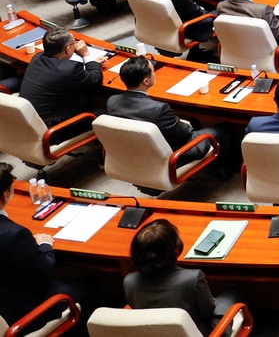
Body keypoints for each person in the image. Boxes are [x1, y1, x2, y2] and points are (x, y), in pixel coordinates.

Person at [0, 162, 89, 332]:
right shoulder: (15, 235)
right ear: (5, 195)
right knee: (90, 286)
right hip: (22, 311)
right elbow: (43, 272)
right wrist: (44, 245)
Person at [126, 218, 241, 335]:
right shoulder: (192, 279)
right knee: (232, 295)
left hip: (153, 333)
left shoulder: (129, 281)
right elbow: (208, 311)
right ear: (176, 250)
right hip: (201, 333)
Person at [108, 56, 226, 168]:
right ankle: (224, 170)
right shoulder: (159, 109)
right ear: (146, 81)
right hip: (172, 153)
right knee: (220, 129)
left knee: (193, 120)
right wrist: (184, 124)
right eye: (153, 71)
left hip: (138, 151)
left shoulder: (112, 101)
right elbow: (184, 133)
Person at [20, 28, 103, 129]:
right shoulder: (69, 70)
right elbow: (95, 80)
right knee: (102, 114)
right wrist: (86, 55)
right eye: (74, 43)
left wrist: (92, 63)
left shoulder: (37, 58)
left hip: (27, 121)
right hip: (51, 129)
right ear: (67, 49)